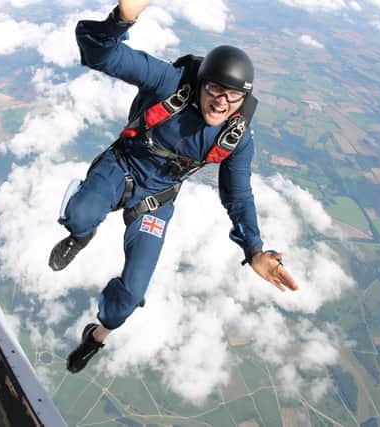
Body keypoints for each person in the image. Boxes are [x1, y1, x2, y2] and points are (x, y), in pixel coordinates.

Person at [49, 0, 299, 374]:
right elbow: (99, 53)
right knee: (79, 215)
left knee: (130, 296)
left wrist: (254, 250)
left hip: (156, 199)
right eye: (215, 88)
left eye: (234, 96)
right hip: (122, 166)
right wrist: (122, 19)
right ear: (201, 82)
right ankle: (79, 233)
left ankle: (95, 337)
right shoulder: (169, 83)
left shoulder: (237, 138)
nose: (222, 102)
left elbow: (238, 196)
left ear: (244, 99)